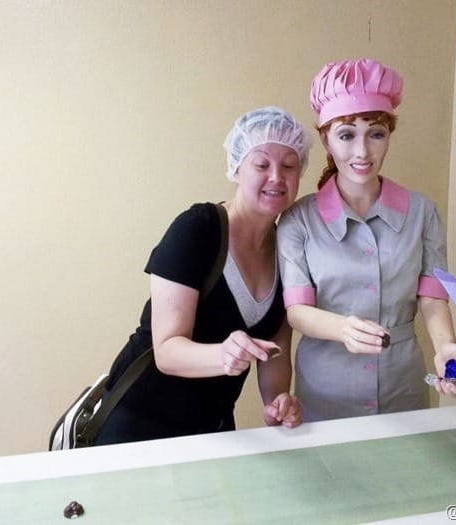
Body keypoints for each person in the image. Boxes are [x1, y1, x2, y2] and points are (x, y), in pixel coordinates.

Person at [95, 106, 311, 445]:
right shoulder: (199, 228)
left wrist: (278, 402)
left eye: (288, 166)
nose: (276, 177)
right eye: (261, 164)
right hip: (138, 424)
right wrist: (223, 354)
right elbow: (167, 351)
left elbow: (276, 352)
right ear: (237, 168)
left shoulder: (290, 247)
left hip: (213, 429)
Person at [276, 58, 456, 422]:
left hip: (402, 382)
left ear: (389, 136)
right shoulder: (298, 220)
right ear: (325, 139)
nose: (363, 152)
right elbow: (297, 312)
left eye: (376, 134)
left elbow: (431, 297)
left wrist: (447, 348)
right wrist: (343, 328)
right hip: (326, 387)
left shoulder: (421, 212)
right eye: (347, 134)